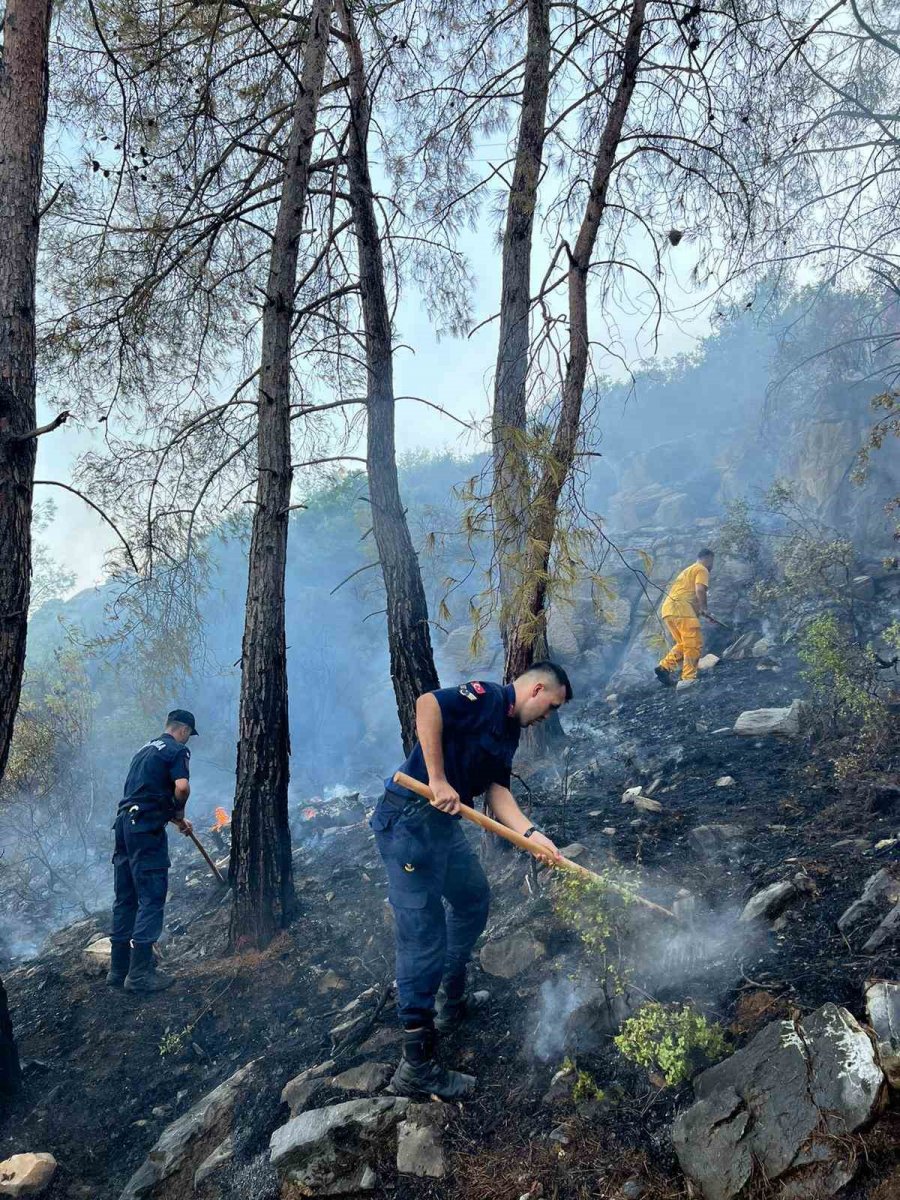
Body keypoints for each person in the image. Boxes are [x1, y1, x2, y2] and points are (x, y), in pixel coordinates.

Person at [374, 662, 572, 1099]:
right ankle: (416, 1065)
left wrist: (532, 836)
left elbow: (497, 792)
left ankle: (451, 997)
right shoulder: (485, 697)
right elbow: (428, 705)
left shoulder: (509, 731)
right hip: (409, 824)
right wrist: (438, 779)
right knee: (422, 936)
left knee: (472, 898)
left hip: (441, 829)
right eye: (550, 707)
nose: (547, 717)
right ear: (537, 689)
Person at [107, 709, 197, 994]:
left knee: (126, 898)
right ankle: (140, 974)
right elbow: (182, 788)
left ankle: (118, 970)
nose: (188, 740)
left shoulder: (144, 750)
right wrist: (178, 812)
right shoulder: (177, 750)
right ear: (183, 730)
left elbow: (144, 794)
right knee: (152, 897)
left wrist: (174, 819)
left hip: (124, 825)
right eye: (189, 735)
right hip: (145, 830)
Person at [655, 548, 714, 691]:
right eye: (712, 561)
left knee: (683, 643)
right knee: (693, 644)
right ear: (708, 558)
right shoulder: (701, 569)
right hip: (681, 609)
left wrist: (701, 612)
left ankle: (664, 667)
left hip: (668, 610)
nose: (712, 565)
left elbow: (689, 596)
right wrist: (705, 608)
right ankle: (688, 678)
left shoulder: (687, 571)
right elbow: (700, 590)